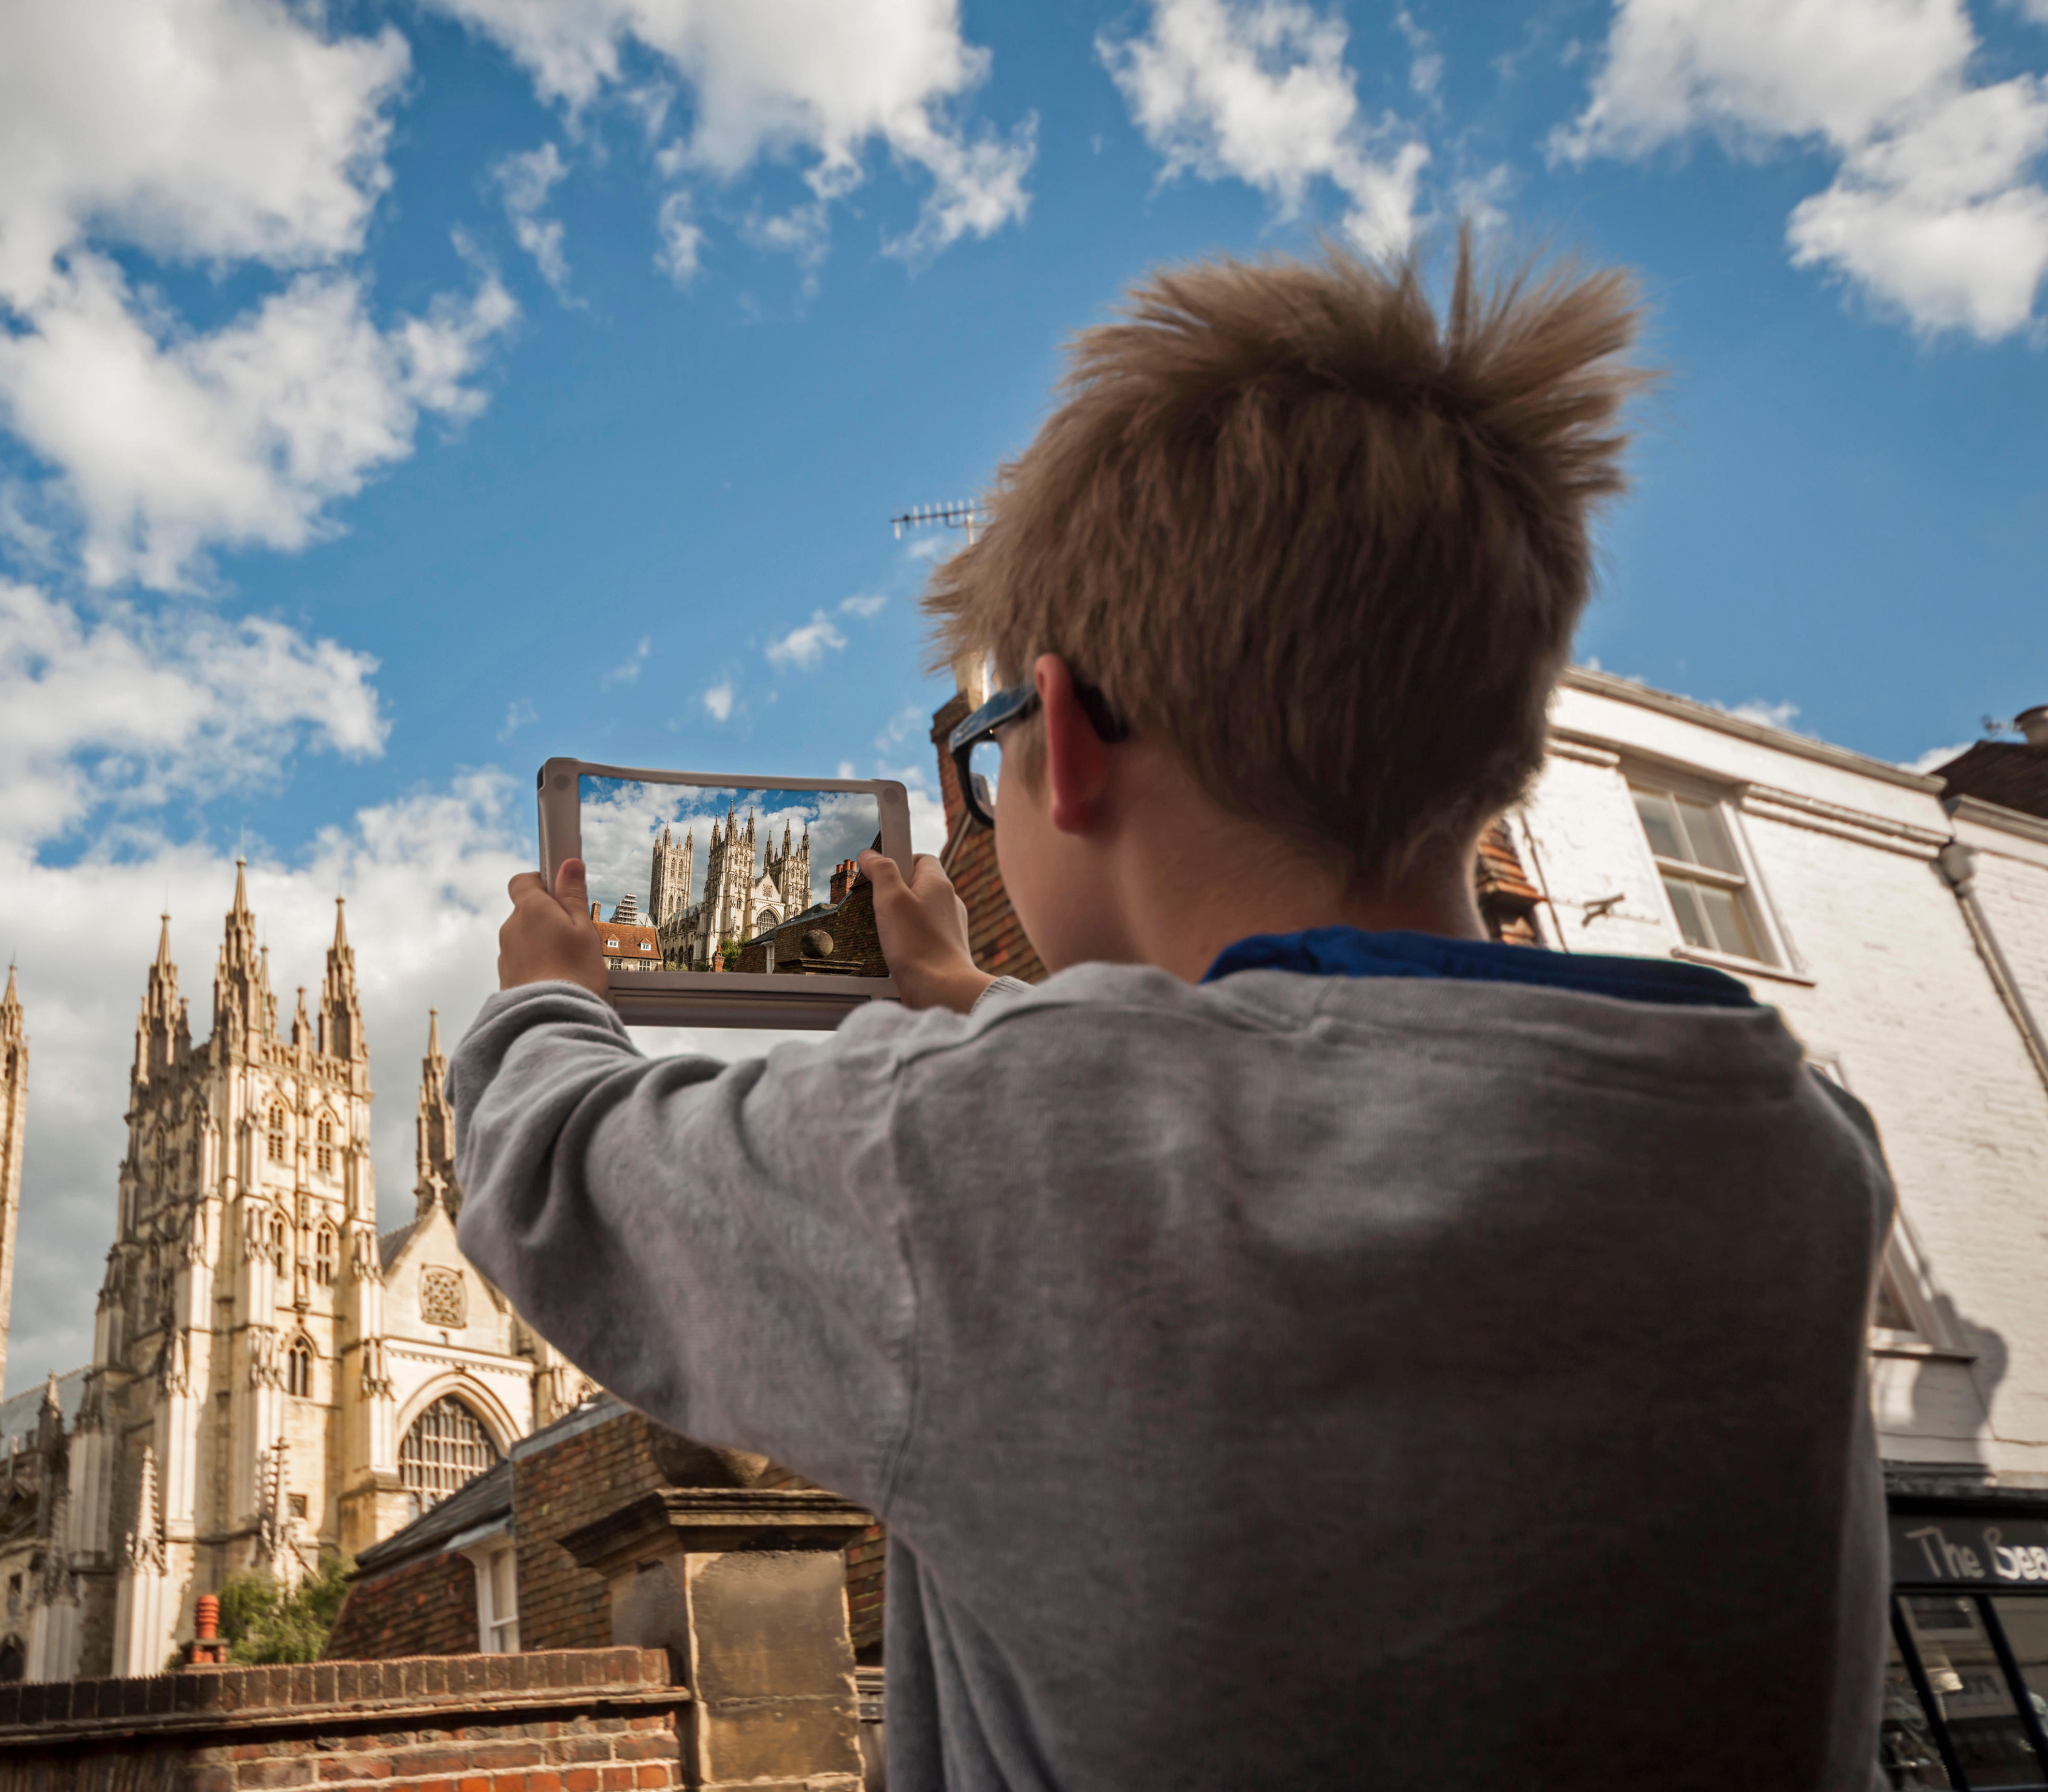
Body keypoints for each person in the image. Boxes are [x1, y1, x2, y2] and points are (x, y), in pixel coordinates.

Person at [448, 235, 1890, 1790]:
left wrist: (550, 995)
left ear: (1062, 740)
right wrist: (969, 994)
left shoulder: (979, 1146)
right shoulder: (1785, 1144)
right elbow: (1304, 1099)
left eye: (987, 745)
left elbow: (549, 1170)